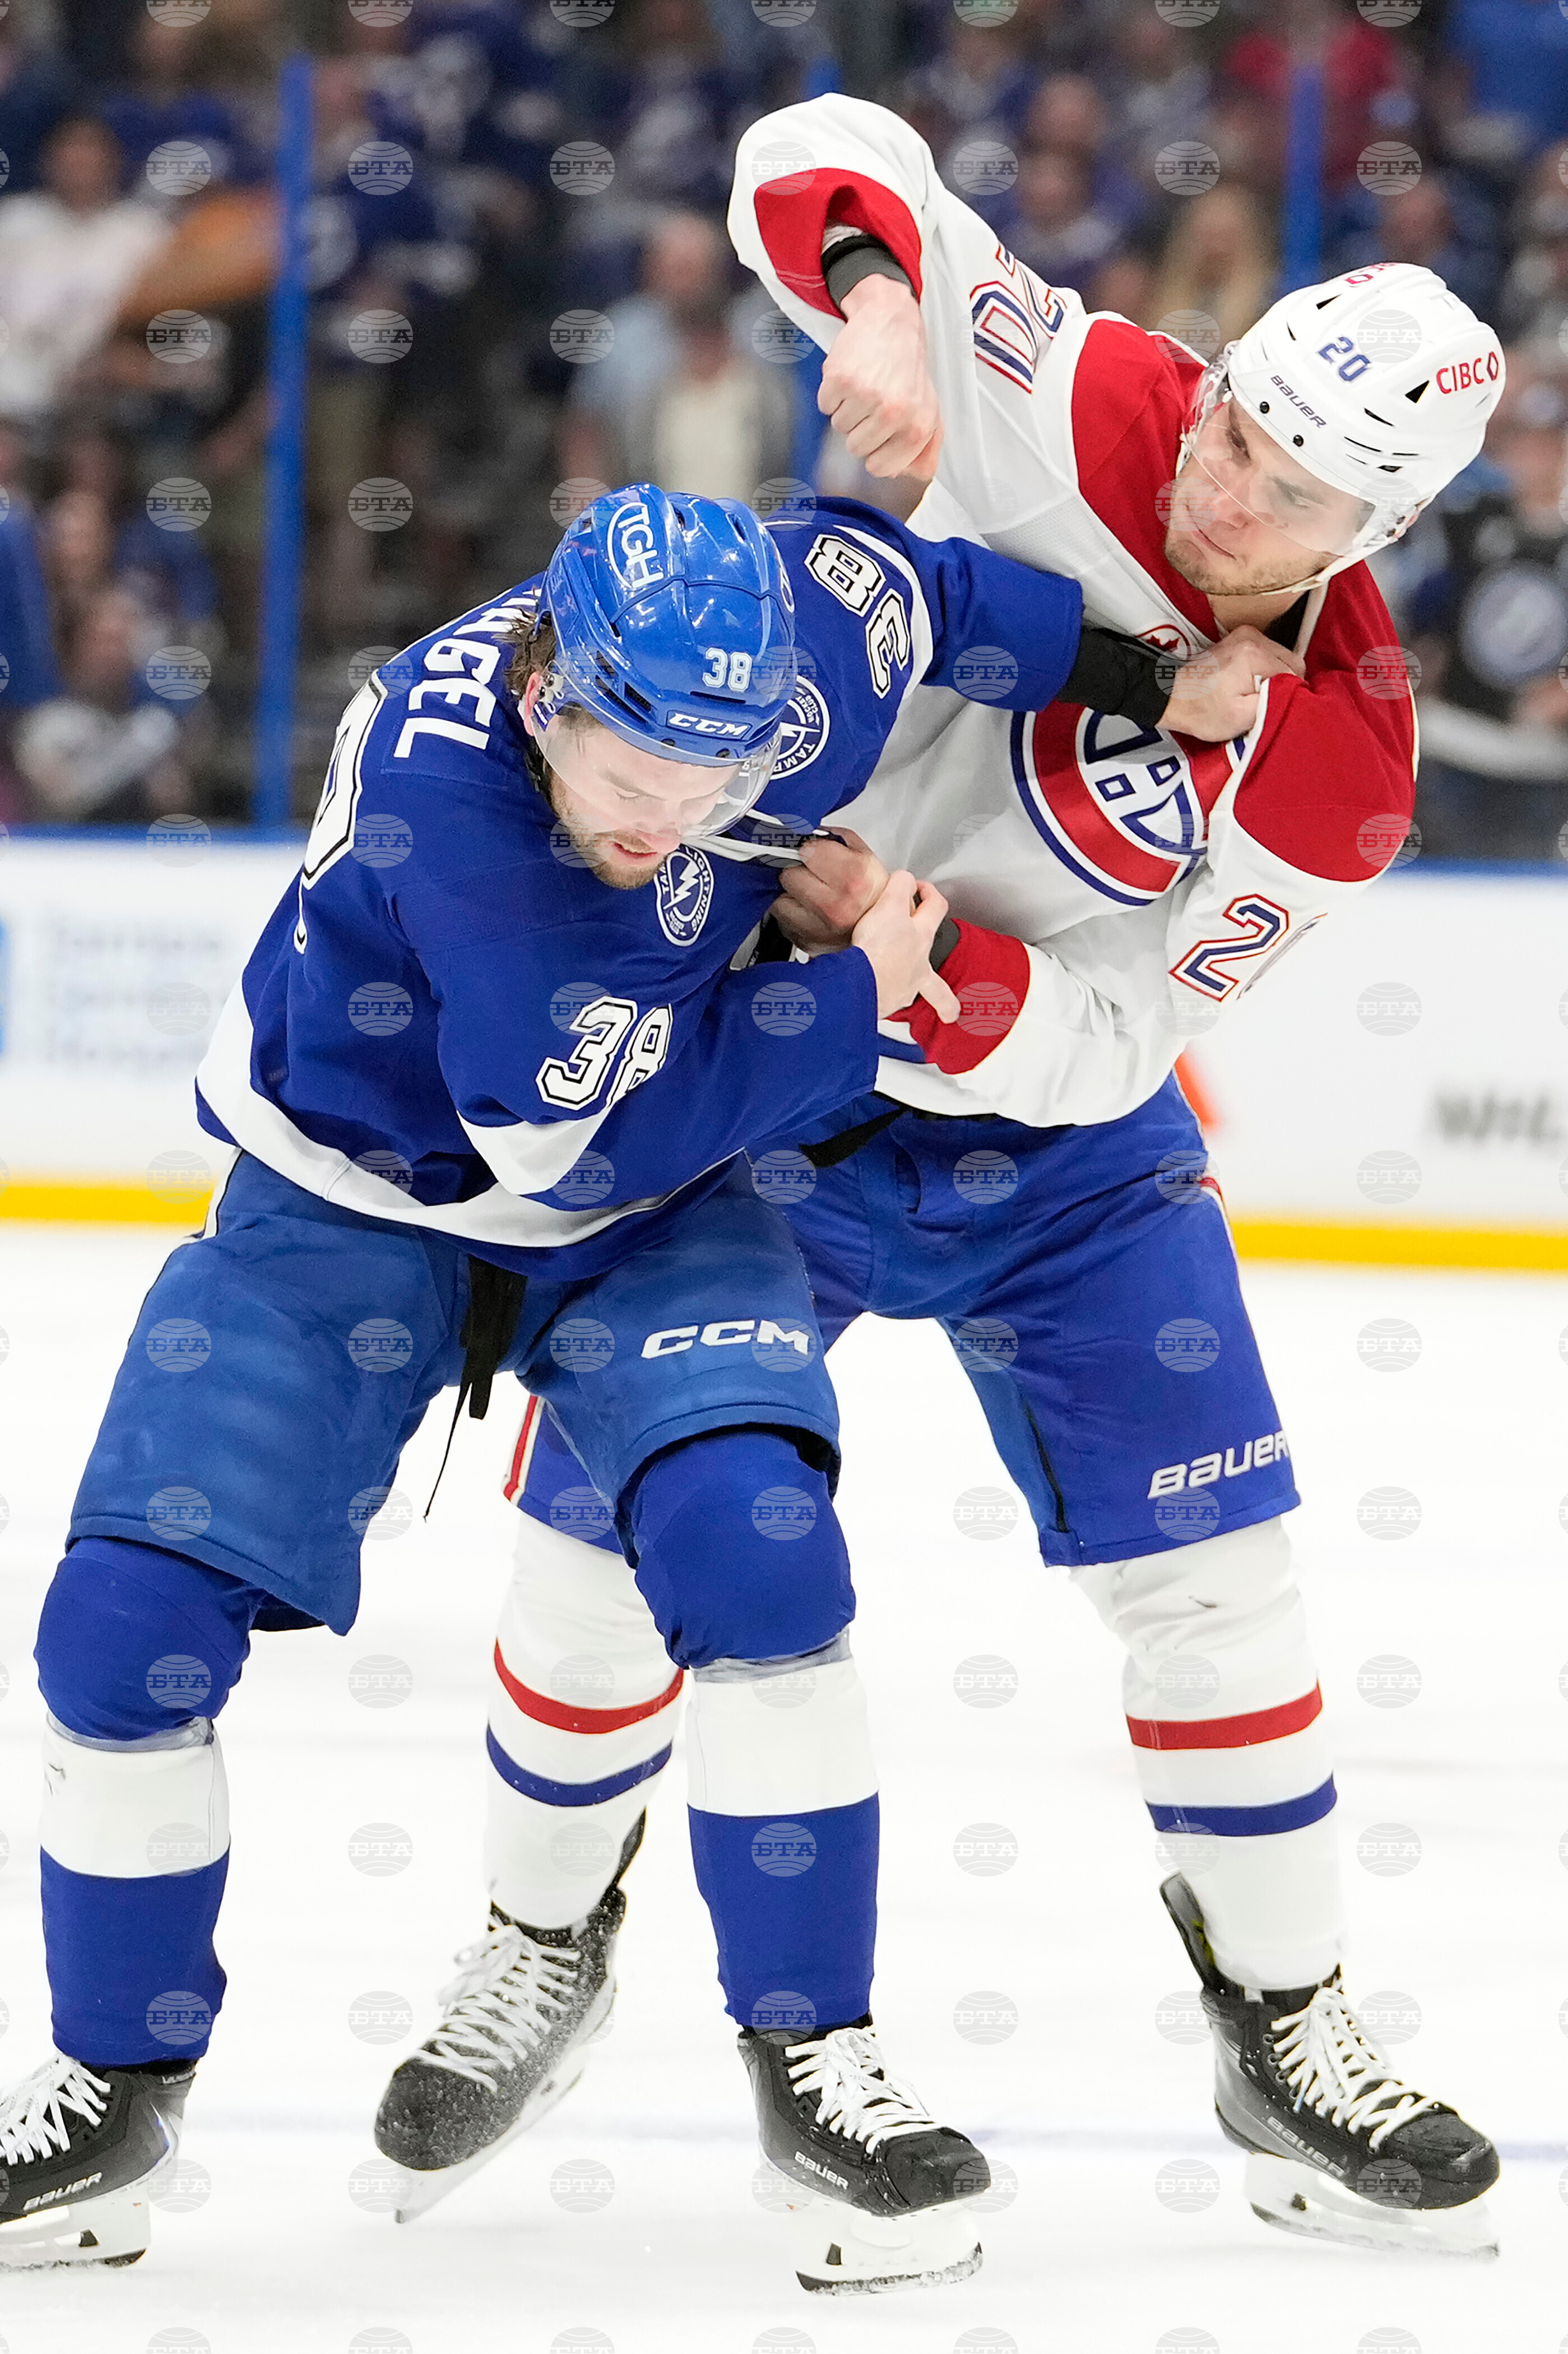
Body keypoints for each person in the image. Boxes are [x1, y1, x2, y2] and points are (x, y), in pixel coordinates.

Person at [457, 96, 1511, 2269]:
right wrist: (880, 315)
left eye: (1283, 484)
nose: (1215, 482)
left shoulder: (1346, 756)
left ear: (1372, 521)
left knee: (1221, 1580)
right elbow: (824, 143)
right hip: (774, 1084)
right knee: (592, 1533)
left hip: (1058, 1143)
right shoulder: (1094, 389)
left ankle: (1286, 2024)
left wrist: (940, 980)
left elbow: (1130, 1030)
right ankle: (535, 1942)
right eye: (1227, 425)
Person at [0, 480, 1258, 2288]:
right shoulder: (462, 814)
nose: (667, 817)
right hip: (374, 1188)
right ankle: (107, 2096)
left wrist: (1146, 673)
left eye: (717, 774)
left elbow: (932, 587)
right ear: (542, 686)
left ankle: (819, 2057)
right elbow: (573, 1147)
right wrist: (863, 990)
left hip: (665, 1189)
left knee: (763, 1561)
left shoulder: (792, 639)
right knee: (119, 1634)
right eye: (633, 766)